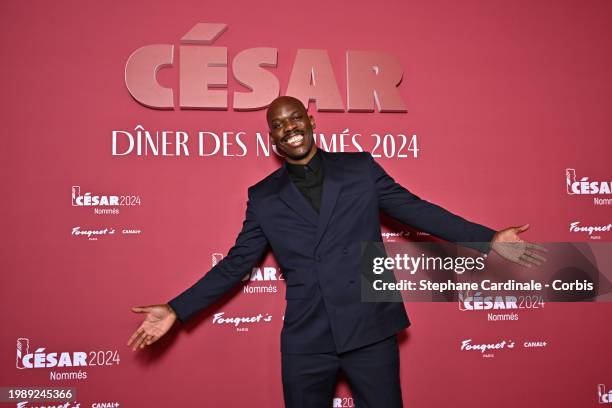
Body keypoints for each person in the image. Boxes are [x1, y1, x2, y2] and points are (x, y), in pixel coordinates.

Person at [127, 96, 545, 407]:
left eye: (294, 118)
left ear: (310, 122)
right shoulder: (264, 197)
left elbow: (415, 209)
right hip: (306, 337)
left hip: (369, 327)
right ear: (272, 138)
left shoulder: (359, 169)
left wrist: (487, 238)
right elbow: (237, 263)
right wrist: (176, 309)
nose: (288, 127)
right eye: (278, 124)